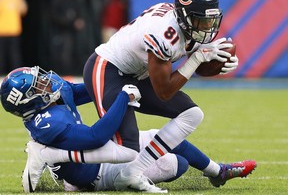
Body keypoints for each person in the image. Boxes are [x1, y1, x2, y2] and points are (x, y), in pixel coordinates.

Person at [82, 0, 252, 192]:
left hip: (137, 74)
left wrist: (214, 62)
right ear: (185, 17)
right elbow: (164, 92)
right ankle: (68, 168)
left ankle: (133, 173)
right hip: (108, 70)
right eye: (202, 21)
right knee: (127, 147)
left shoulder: (184, 24)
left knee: (192, 114)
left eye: (210, 21)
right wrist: (198, 58)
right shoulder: (164, 33)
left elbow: (192, 60)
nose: (208, 27)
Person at [0, 66, 256, 193]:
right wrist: (124, 97)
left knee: (165, 137)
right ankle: (53, 160)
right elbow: (95, 136)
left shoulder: (52, 97)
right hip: (92, 173)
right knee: (177, 164)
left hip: (98, 151)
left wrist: (116, 75)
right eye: (38, 86)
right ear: (28, 101)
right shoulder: (45, 123)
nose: (46, 82)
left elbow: (86, 89)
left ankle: (217, 171)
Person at [50, 0, 85, 74]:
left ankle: (71, 73)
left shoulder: (74, 0)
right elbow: (54, 16)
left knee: (73, 52)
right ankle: (63, 74)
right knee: (62, 54)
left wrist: (78, 21)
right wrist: (69, 22)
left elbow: (78, 15)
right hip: (60, 32)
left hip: (73, 32)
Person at [0, 0, 28, 74]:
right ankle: (17, 74)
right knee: (15, 54)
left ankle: (1, 74)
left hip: (1, 29)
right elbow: (24, 9)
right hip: (14, 28)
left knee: (1, 53)